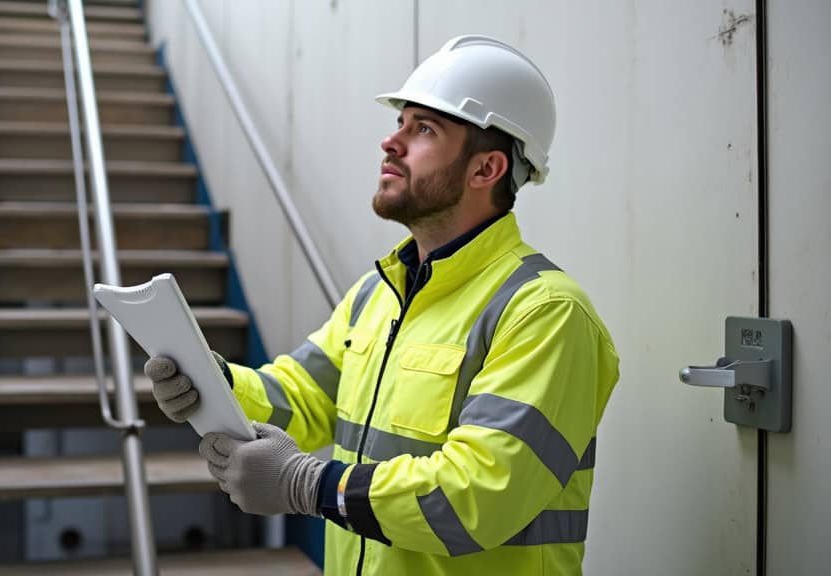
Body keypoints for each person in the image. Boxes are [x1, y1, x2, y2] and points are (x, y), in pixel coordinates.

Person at [145, 35, 619, 576]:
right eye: (401, 123)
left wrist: (308, 484)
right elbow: (300, 398)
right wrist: (215, 384)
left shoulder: (545, 312)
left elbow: (481, 494)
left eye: (423, 129)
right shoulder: (379, 293)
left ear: (485, 170)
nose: (391, 143)